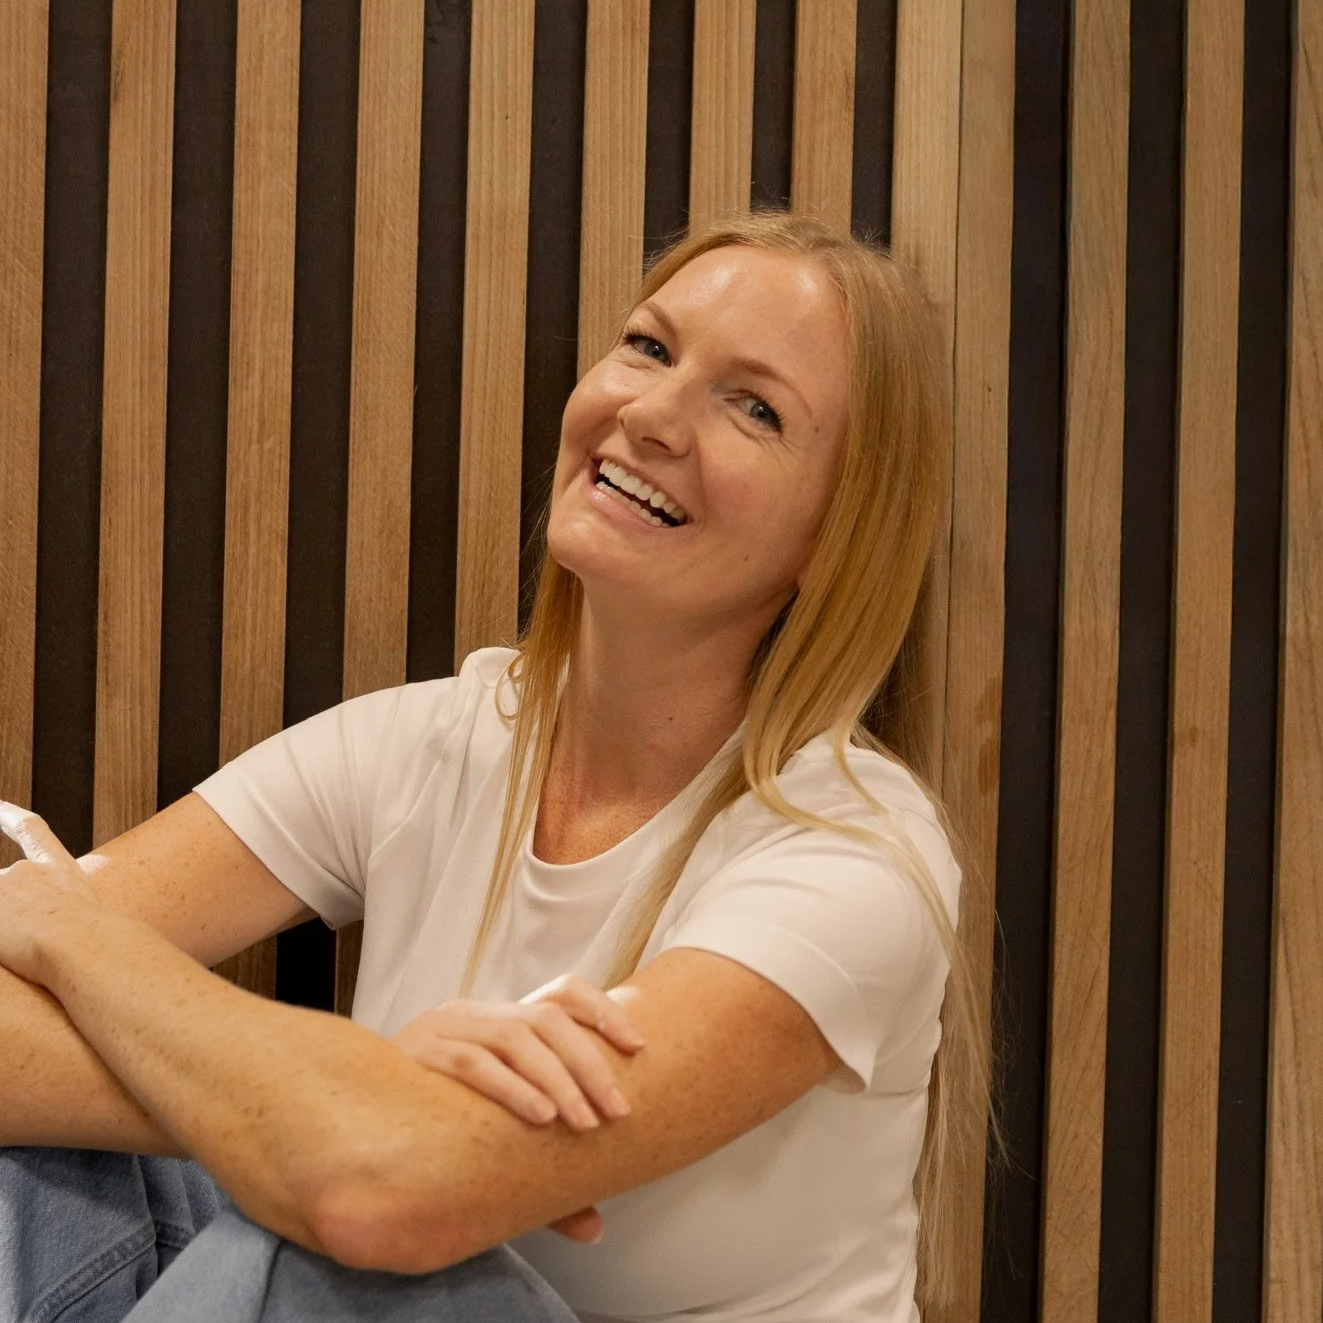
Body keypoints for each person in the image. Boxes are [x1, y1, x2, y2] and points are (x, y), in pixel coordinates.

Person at [0, 210, 987, 1323]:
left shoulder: (852, 858)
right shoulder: (434, 742)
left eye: (753, 407)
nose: (651, 414)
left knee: (328, 1257)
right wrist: (353, 1099)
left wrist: (66, 926)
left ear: (835, 536)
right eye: (649, 347)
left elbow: (386, 1203)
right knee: (41, 1171)